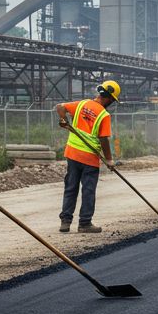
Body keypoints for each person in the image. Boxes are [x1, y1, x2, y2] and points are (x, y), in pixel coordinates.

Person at [54, 80, 119, 233]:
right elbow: (104, 139)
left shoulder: (82, 104)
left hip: (72, 153)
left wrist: (63, 119)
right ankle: (84, 223)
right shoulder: (104, 115)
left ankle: (65, 221)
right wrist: (109, 159)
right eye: (112, 100)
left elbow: (60, 107)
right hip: (89, 158)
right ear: (109, 98)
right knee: (88, 190)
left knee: (71, 187)